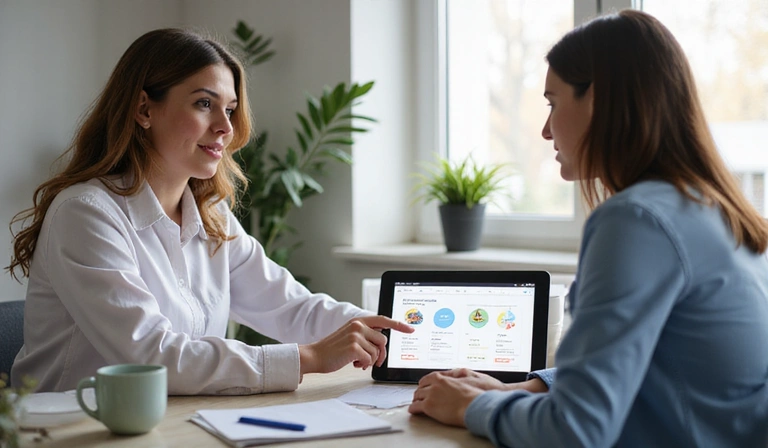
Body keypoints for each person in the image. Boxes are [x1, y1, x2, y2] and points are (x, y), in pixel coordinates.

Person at [408, 9, 768, 447]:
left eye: (552, 103)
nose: (544, 130)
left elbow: (576, 431)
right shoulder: (714, 208)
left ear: (596, 99)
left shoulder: (638, 221)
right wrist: (527, 388)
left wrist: (468, 407)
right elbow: (665, 361)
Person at [6, 28, 412, 395]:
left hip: (176, 424)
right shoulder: (86, 214)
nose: (226, 127)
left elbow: (291, 306)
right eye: (205, 103)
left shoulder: (210, 214)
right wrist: (308, 358)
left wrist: (397, 334)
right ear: (144, 109)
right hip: (67, 433)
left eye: (231, 109)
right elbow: (154, 357)